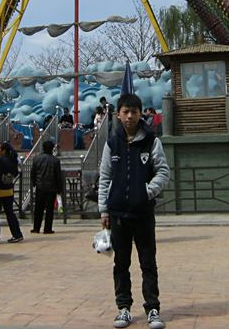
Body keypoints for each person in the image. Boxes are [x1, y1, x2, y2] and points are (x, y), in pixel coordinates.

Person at [98, 93, 170, 329]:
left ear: (141, 114)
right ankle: (124, 308)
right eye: (125, 111)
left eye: (134, 111)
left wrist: (146, 192)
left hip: (143, 214)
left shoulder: (152, 141)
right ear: (118, 114)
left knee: (148, 262)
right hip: (118, 214)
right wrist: (104, 210)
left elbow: (163, 172)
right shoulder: (112, 143)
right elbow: (105, 177)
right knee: (121, 263)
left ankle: (153, 308)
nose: (130, 116)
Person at [30, 140, 63, 234]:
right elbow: (58, 176)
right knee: (49, 210)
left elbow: (33, 173)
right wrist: (59, 188)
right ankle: (47, 228)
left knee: (38, 209)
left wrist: (34, 183)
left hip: (40, 187)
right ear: (52, 149)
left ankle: (36, 228)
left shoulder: (36, 159)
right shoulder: (56, 160)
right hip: (51, 188)